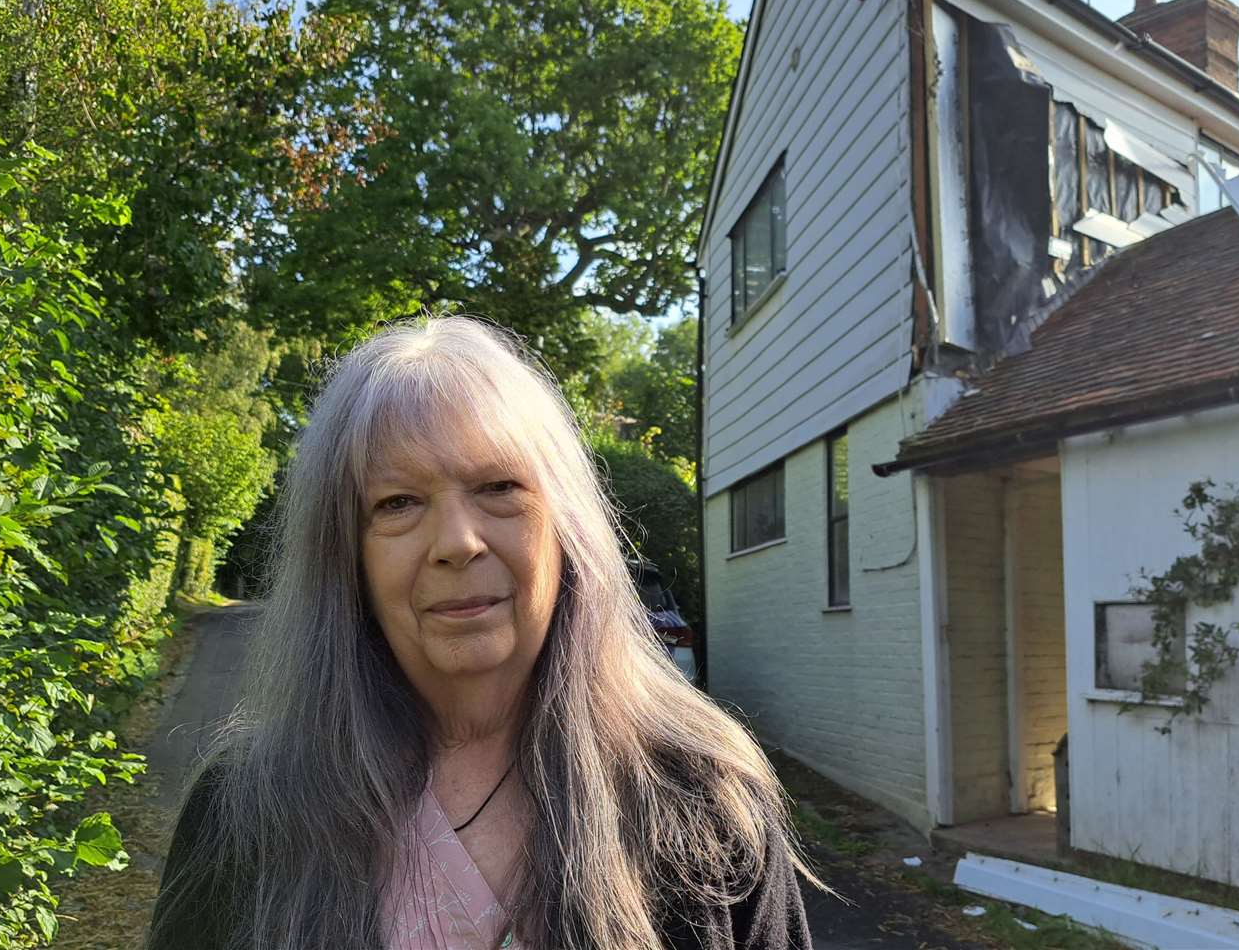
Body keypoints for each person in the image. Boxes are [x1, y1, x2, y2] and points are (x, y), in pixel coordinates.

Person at [146, 316, 816, 950]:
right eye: (398, 503)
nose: (457, 543)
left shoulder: (702, 794)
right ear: (345, 557)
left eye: (498, 487)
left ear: (566, 527)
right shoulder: (244, 811)